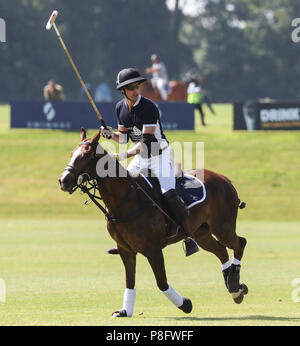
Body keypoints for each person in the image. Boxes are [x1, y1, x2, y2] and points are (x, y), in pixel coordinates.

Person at [101, 68, 199, 256]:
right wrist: (109, 135)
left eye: (137, 85)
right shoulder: (120, 108)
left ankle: (189, 236)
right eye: (130, 87)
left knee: (168, 194)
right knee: (124, 188)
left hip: (159, 155)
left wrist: (122, 156)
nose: (136, 89)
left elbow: (145, 142)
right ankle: (124, 239)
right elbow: (123, 138)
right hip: (141, 157)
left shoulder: (149, 107)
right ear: (122, 90)